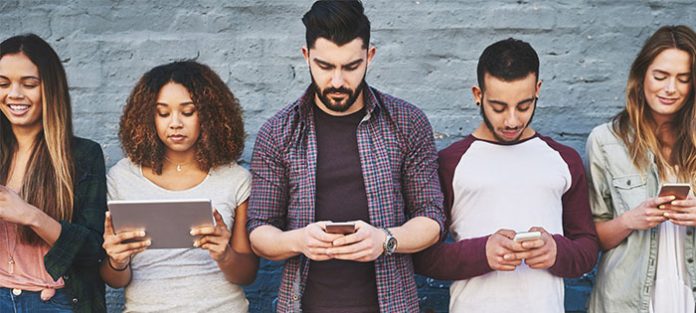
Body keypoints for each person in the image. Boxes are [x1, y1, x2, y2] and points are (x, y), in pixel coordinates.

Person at [246, 1, 446, 312]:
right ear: (306, 57)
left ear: (370, 56)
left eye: (351, 66)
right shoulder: (278, 133)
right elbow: (259, 230)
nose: (338, 81)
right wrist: (299, 241)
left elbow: (432, 217)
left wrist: (385, 240)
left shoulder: (407, 122)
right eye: (325, 66)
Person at [413, 38, 599, 313]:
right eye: (498, 107)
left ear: (538, 90)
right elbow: (423, 257)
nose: (512, 120)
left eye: (523, 106)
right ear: (478, 94)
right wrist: (482, 253)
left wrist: (556, 251)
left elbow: (587, 248)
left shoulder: (564, 160)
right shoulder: (450, 163)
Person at [100, 61, 258, 312]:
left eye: (187, 112)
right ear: (147, 117)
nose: (175, 123)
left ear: (209, 116)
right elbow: (115, 280)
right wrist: (117, 261)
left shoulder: (235, 178)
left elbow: (247, 275)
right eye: (163, 113)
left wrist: (224, 254)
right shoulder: (122, 177)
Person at [587, 25, 696, 313]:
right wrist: (630, 220)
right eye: (660, 76)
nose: (670, 89)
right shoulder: (606, 141)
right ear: (641, 76)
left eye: (683, 79)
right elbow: (591, 238)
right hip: (627, 300)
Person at [0, 34, 107, 313]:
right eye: (3, 84)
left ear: (50, 88)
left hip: (54, 301)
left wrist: (30, 215)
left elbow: (92, 251)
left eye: (29, 84)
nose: (14, 94)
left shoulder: (83, 155)